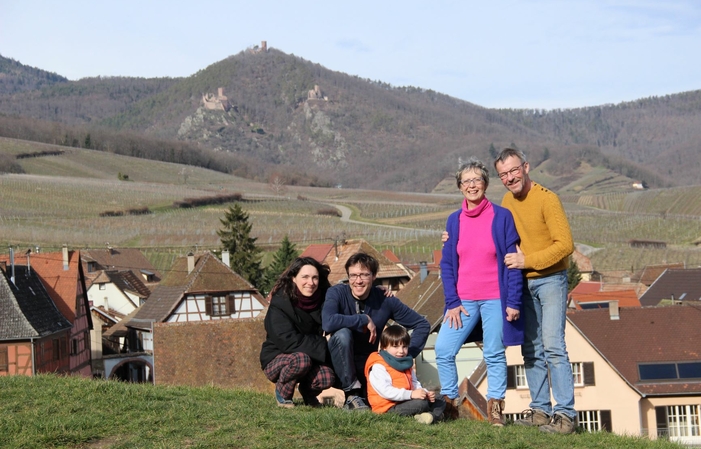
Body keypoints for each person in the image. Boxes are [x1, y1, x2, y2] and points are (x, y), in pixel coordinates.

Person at [494, 147, 576, 434]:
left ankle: (565, 415)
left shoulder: (548, 199)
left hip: (551, 280)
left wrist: (527, 260)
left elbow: (565, 245)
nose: (509, 177)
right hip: (523, 283)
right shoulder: (506, 200)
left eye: (514, 170)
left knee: (553, 346)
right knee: (531, 349)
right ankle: (540, 410)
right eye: (503, 174)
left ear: (526, 167)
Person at [436, 157, 523, 426]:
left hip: (496, 298)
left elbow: (513, 262)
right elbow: (448, 264)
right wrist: (451, 301)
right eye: (466, 181)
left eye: (477, 180)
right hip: (463, 300)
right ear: (460, 187)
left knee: (494, 352)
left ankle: (495, 409)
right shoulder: (454, 221)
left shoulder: (501, 217)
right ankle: (450, 404)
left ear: (485, 184)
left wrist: (513, 301)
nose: (472, 185)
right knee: (443, 348)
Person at [322, 252, 430, 410]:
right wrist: (363, 319)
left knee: (379, 406)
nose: (358, 281)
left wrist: (403, 356)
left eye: (364, 275)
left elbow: (422, 324)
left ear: (374, 276)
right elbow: (328, 323)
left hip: (370, 366)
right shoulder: (337, 293)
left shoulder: (384, 299)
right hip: (339, 362)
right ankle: (352, 394)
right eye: (353, 275)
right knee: (342, 334)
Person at [260, 257, 336, 408]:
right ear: (294, 278)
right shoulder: (280, 303)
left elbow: (346, 296)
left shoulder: (324, 299)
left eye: (315, 277)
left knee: (327, 376)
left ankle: (307, 392)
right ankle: (283, 394)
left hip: (310, 355)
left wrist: (376, 291)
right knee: (301, 360)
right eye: (305, 277)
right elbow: (288, 341)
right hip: (277, 356)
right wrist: (324, 344)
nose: (311, 282)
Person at [365, 324, 446, 424]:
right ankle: (433, 416)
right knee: (421, 404)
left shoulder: (406, 363)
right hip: (388, 408)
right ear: (384, 347)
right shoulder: (378, 366)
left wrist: (425, 393)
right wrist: (411, 394)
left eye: (404, 347)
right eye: (395, 346)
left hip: (407, 400)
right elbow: (385, 391)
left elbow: (415, 383)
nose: (401, 351)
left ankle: (430, 417)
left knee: (440, 398)